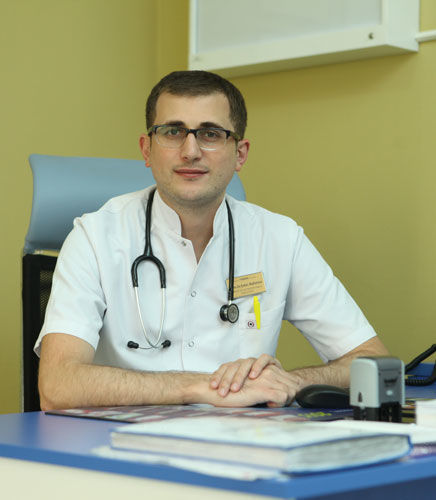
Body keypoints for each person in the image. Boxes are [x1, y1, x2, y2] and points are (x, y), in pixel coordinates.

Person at [36, 70, 388, 411]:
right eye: (173, 131)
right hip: (122, 441)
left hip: (243, 440)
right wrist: (199, 387)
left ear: (240, 154)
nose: (190, 151)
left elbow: (373, 360)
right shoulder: (94, 237)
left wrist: (291, 381)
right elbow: (57, 384)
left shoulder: (280, 238)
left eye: (210, 134)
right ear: (146, 149)